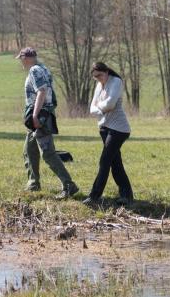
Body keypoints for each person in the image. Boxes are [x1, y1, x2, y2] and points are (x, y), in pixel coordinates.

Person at [17, 47, 79, 199]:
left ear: (26, 58)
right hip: (40, 114)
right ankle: (33, 183)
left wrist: (36, 115)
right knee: (29, 150)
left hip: (40, 116)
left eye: (21, 59)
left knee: (48, 153)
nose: (21, 62)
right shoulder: (43, 68)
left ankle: (69, 185)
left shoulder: (35, 71)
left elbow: (42, 91)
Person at [83, 62, 133, 206]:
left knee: (104, 161)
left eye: (99, 75)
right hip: (104, 128)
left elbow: (110, 104)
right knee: (115, 163)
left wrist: (100, 108)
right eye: (95, 77)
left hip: (119, 129)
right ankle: (126, 195)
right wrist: (101, 109)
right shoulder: (99, 85)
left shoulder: (116, 81)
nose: (98, 79)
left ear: (106, 71)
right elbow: (92, 107)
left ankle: (94, 196)